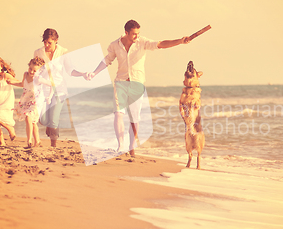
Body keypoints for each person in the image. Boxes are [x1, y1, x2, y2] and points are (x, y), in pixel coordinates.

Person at [86, 19, 191, 156]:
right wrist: (94, 73)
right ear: (126, 32)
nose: (137, 36)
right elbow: (107, 60)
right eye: (134, 34)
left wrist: (180, 41)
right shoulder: (115, 45)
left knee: (134, 119)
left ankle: (131, 147)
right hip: (121, 83)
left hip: (137, 84)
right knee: (118, 113)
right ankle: (120, 146)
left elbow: (161, 44)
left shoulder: (142, 42)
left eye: (138, 33)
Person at [34, 28, 88, 147]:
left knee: (54, 118)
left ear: (56, 40)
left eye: (49, 42)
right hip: (44, 90)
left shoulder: (63, 52)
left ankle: (53, 145)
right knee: (42, 120)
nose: (47, 45)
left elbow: (70, 70)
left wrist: (82, 74)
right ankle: (48, 125)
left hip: (59, 89)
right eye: (45, 42)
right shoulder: (38, 53)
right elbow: (35, 70)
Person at [13, 56, 51, 148]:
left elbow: (52, 85)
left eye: (35, 71)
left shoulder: (39, 79)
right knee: (33, 123)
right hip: (26, 101)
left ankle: (29, 140)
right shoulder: (25, 74)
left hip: (36, 103)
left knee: (28, 117)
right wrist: (11, 83)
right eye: (30, 68)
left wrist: (49, 97)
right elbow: (23, 84)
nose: (32, 72)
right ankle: (37, 141)